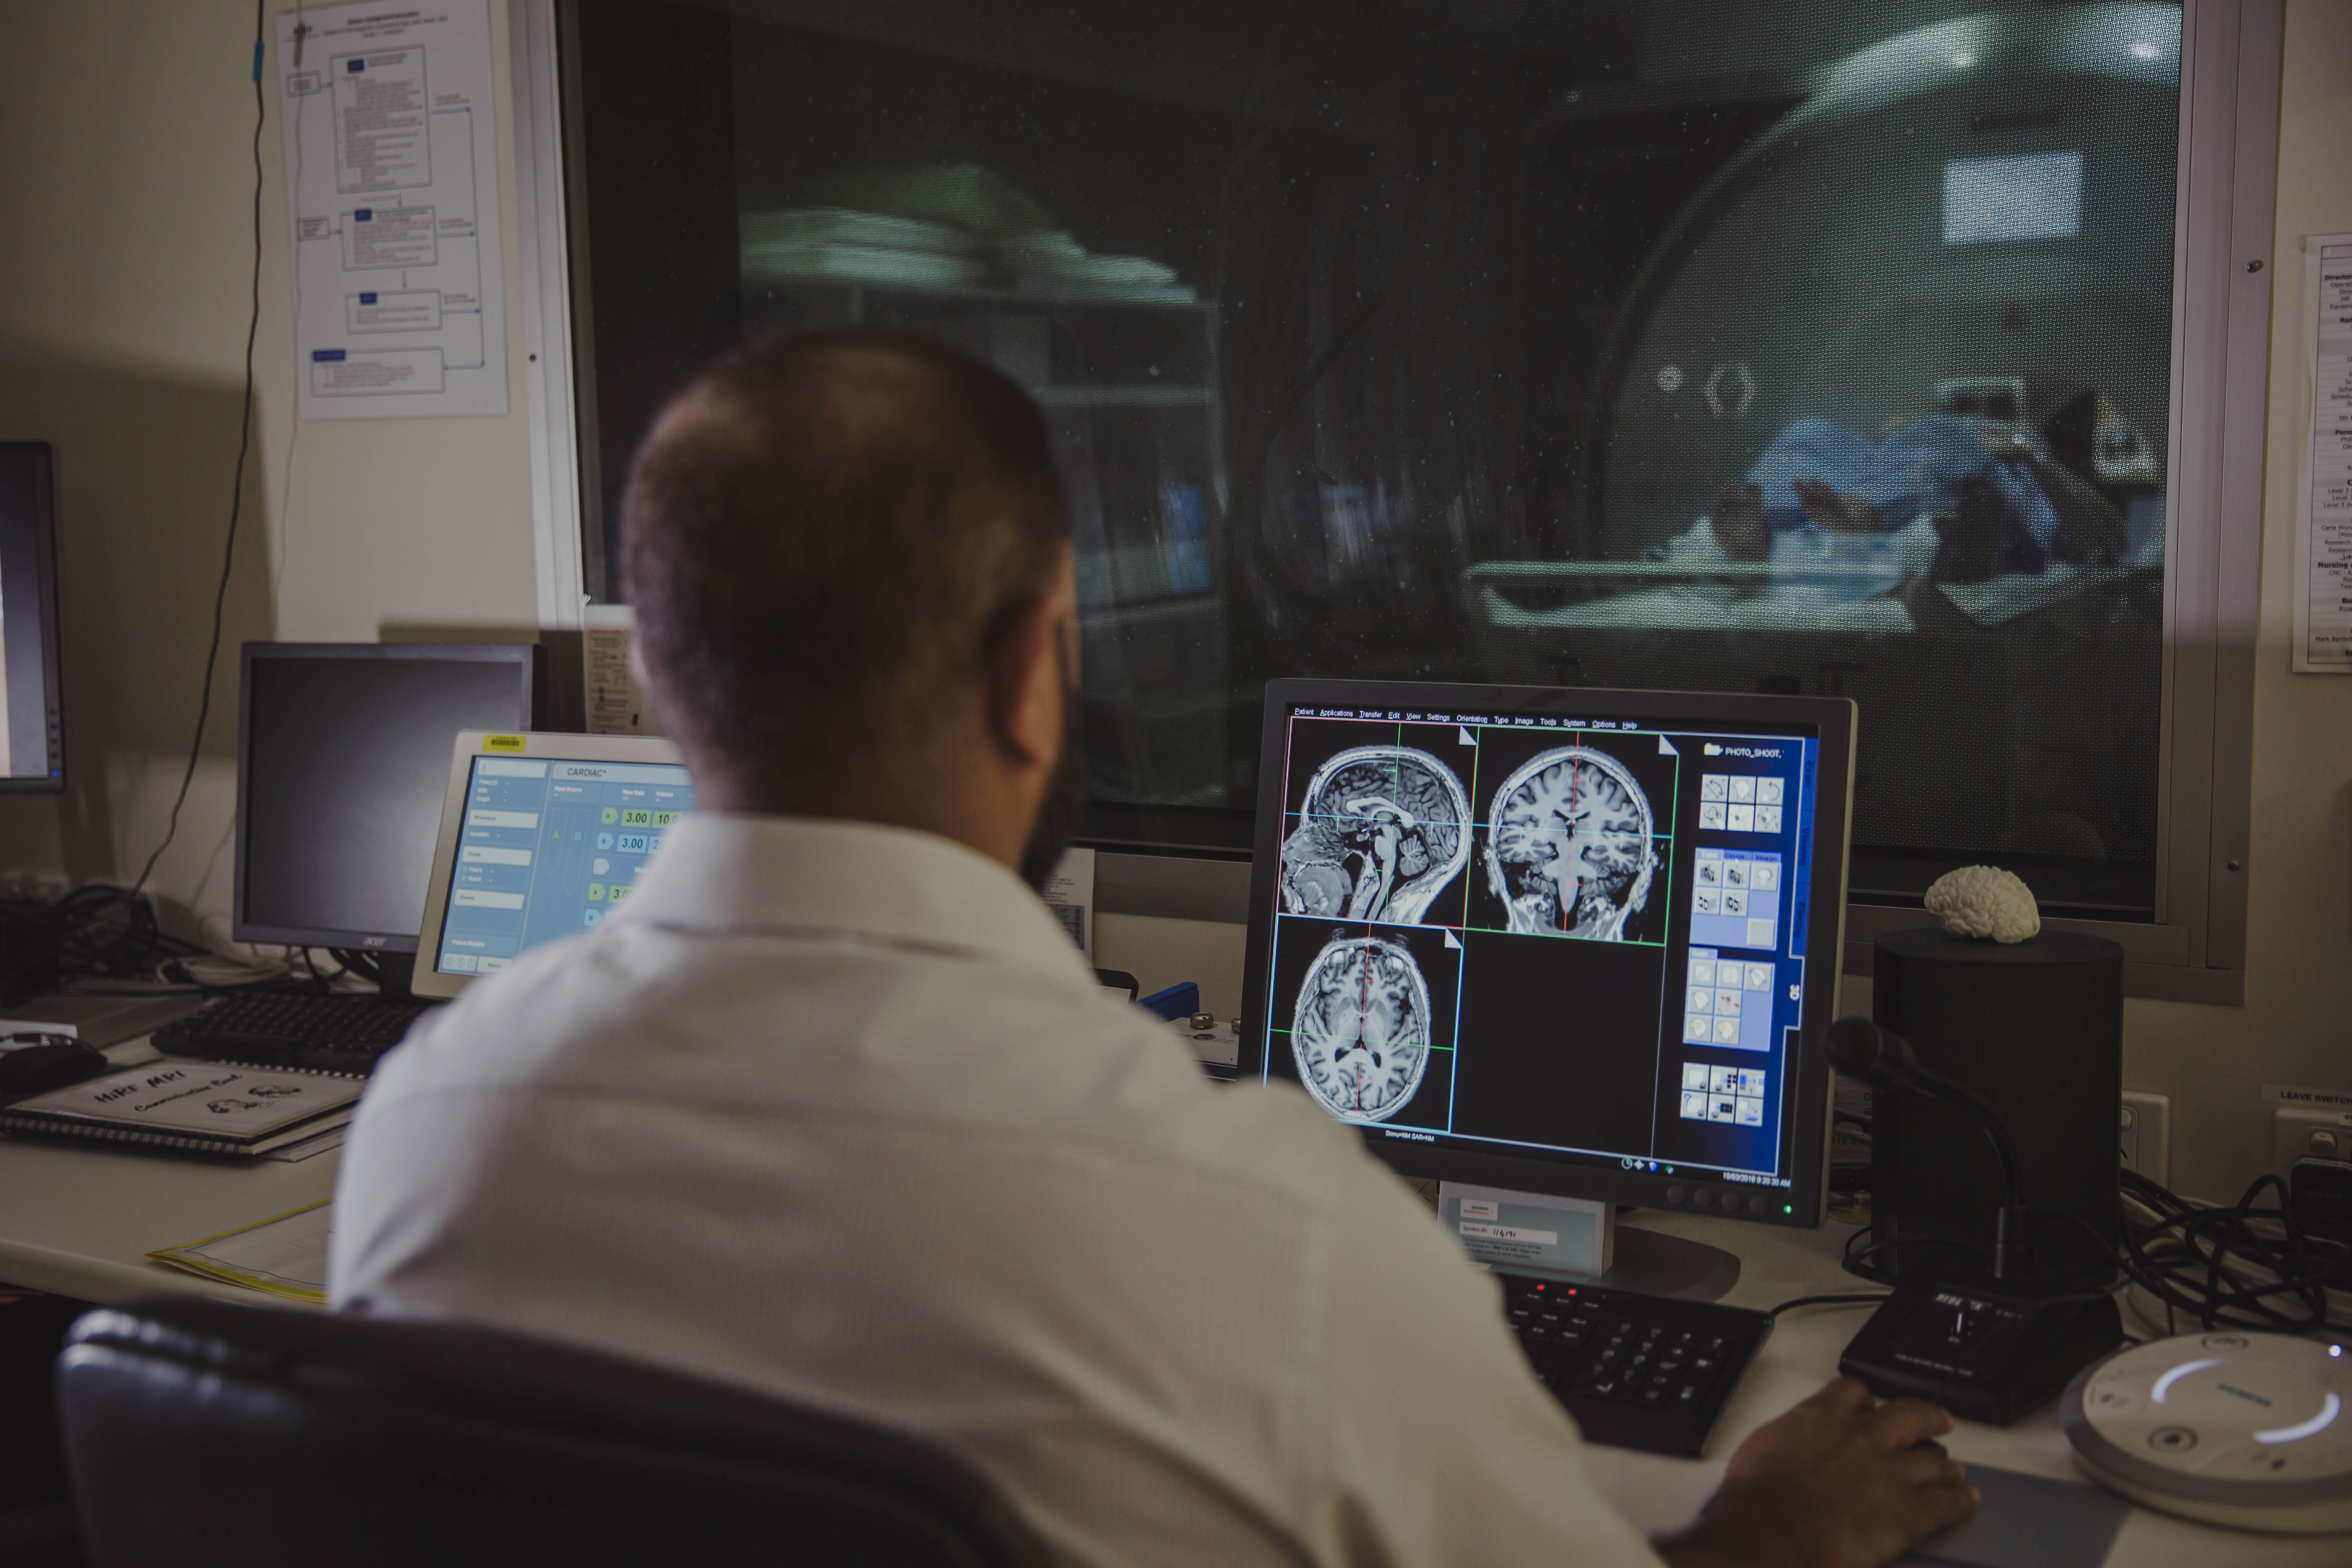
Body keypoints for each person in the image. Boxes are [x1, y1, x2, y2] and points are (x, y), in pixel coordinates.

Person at [331, 329, 1978, 1567]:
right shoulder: (1260, 1222)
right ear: (1034, 666)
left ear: (666, 676)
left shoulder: (435, 1116)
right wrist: (1764, 1534)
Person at [1707, 411, 2128, 581]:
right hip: (1891, 471)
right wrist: (1888, 434)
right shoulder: (1921, 433)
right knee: (1810, 432)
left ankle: (1864, 515)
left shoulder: (2024, 452)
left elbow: (2110, 538)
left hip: (1985, 480)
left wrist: (2024, 450)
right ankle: (1759, 533)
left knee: (1936, 444)